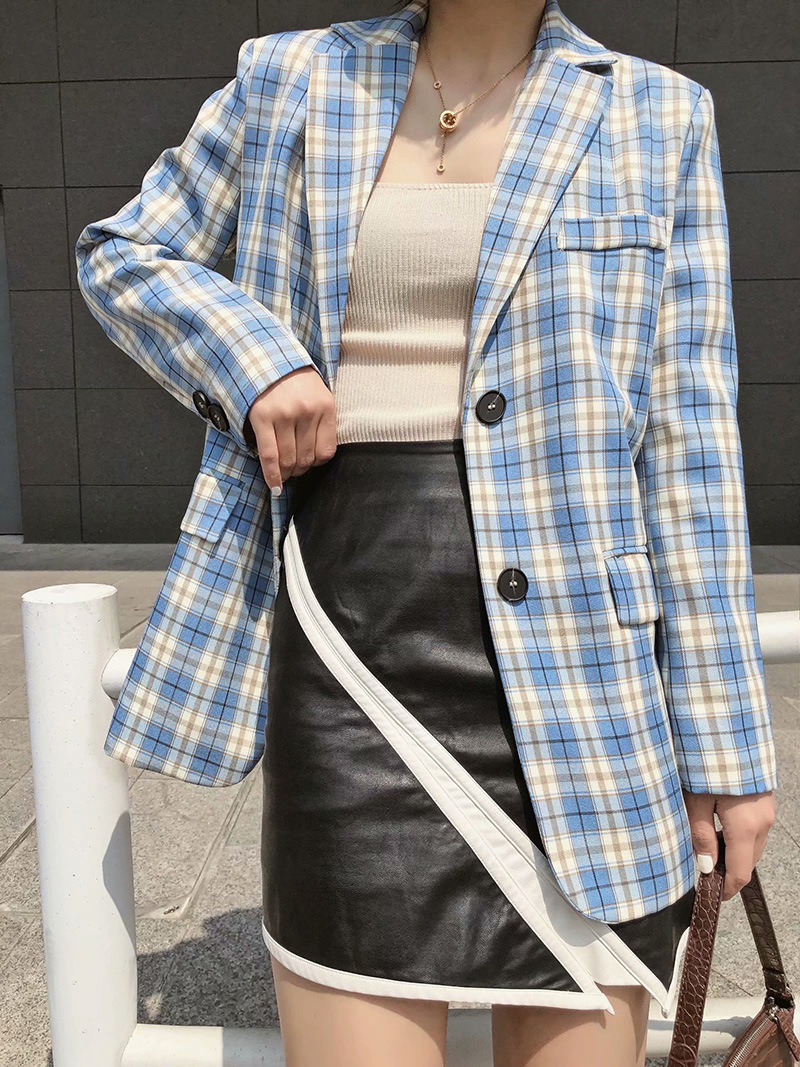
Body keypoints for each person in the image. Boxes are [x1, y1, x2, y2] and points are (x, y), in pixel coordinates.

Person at [74, 0, 778, 1064]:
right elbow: (126, 252)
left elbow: (690, 445)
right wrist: (254, 359)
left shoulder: (656, 112)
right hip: (352, 646)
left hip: (586, 683)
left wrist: (727, 750)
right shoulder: (291, 80)